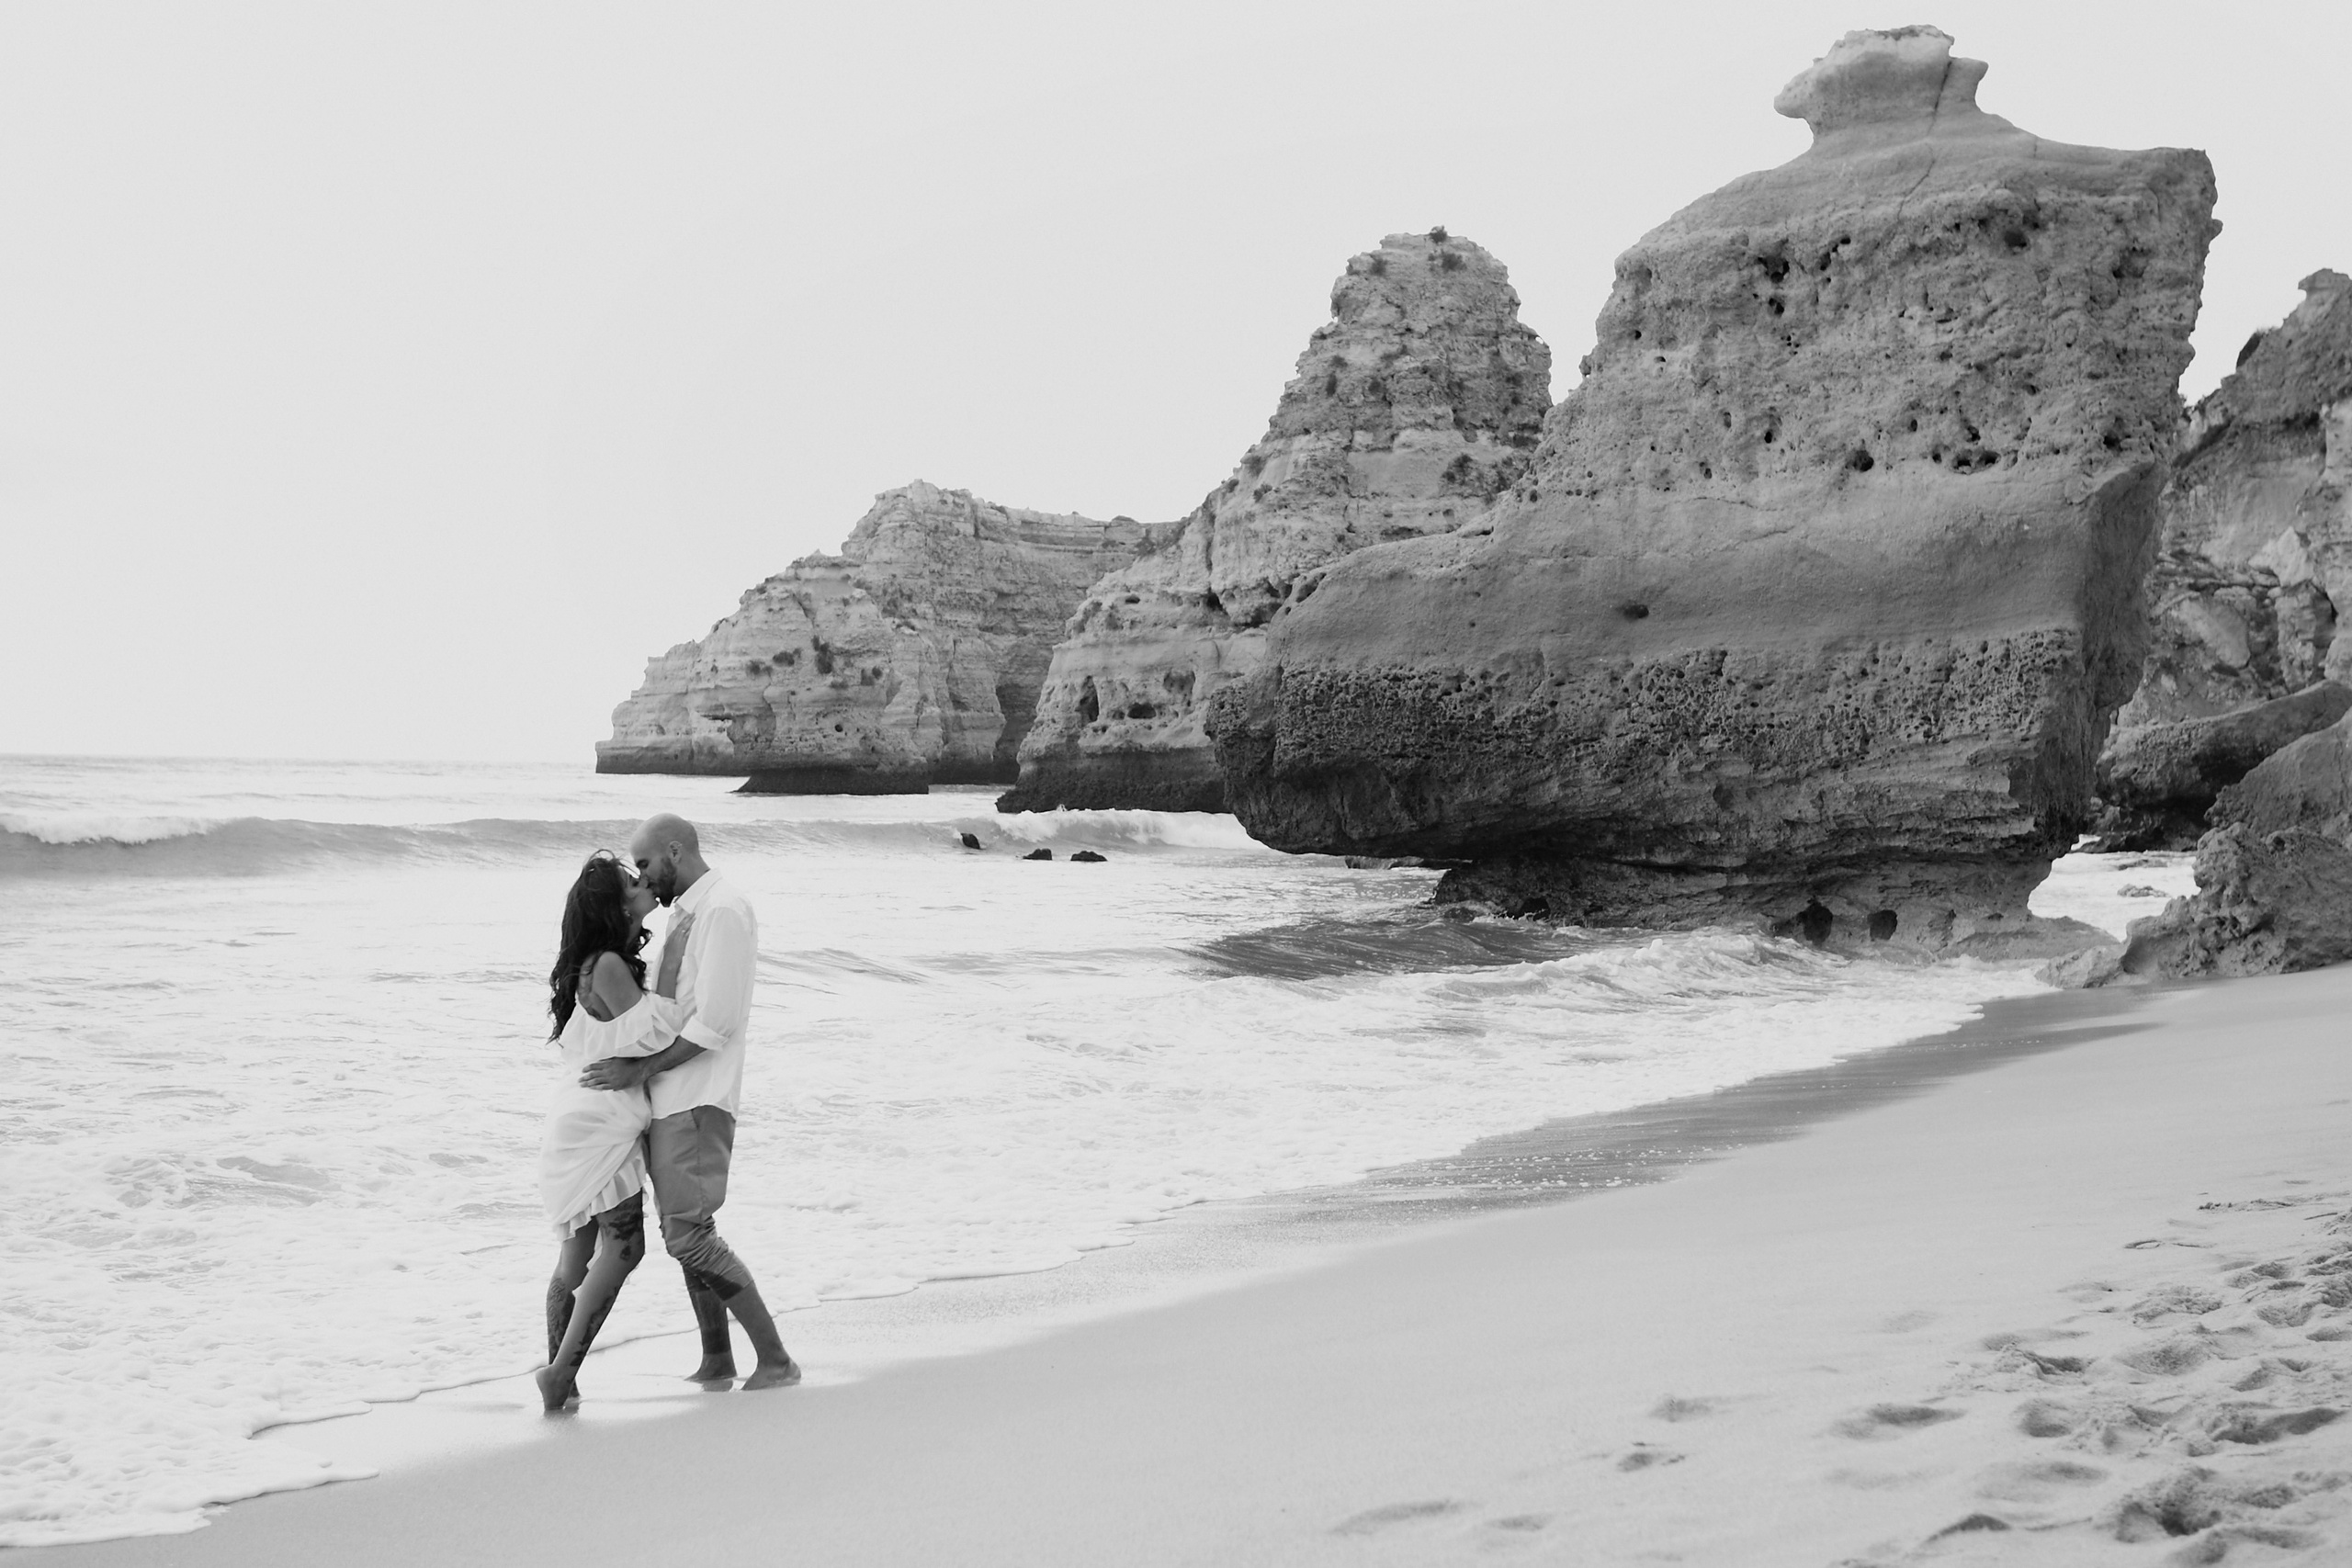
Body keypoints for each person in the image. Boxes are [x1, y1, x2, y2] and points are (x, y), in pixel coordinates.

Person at [581, 813, 800, 1391]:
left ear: (675, 852)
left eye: (647, 864)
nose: (644, 878)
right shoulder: (685, 912)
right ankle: (717, 1359)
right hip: (670, 1097)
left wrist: (639, 1070)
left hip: (699, 1097)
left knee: (688, 1234)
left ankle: (776, 1359)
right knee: (686, 1231)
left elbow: (716, 1022)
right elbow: (663, 1013)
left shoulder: (723, 909)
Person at [535, 851, 672, 1413]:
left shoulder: (592, 965)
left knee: (574, 1260)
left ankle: (562, 1382)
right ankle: (561, 1373)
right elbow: (657, 1037)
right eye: (632, 882)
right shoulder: (610, 966)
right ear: (618, 906)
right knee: (626, 1247)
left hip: (577, 1118)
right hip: (599, 1123)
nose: (644, 884)